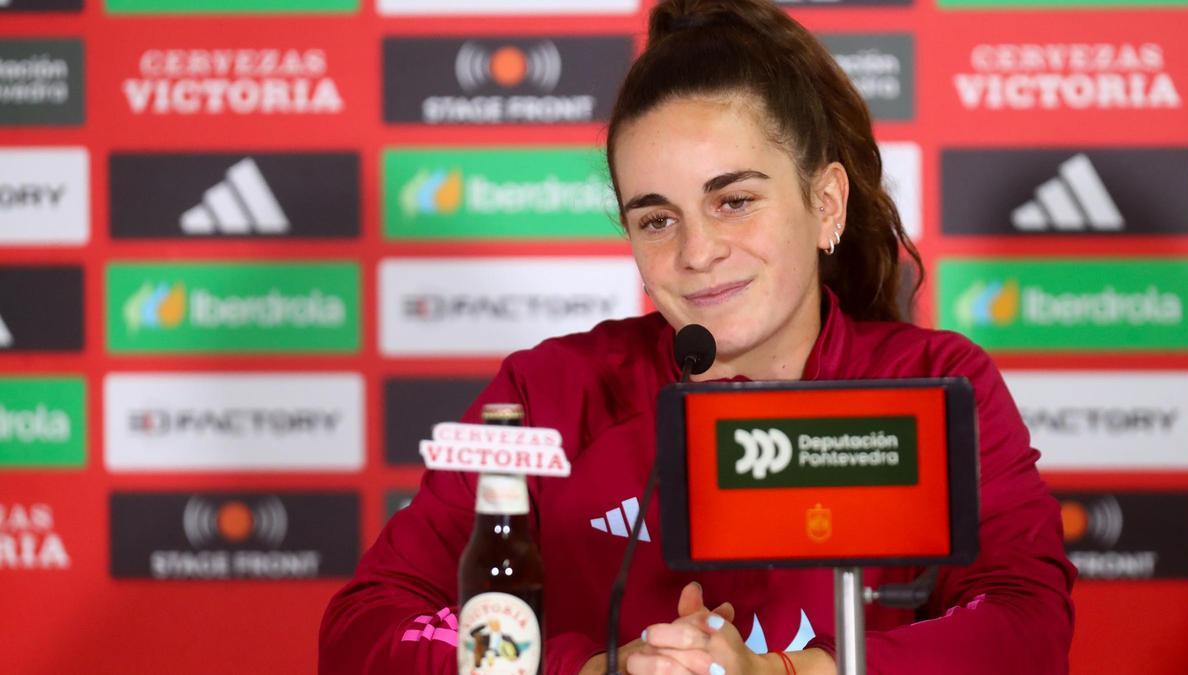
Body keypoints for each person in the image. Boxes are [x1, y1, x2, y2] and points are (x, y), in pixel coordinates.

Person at [319, 0, 1076, 672]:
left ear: (827, 203)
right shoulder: (546, 394)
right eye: (657, 218)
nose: (696, 253)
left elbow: (1026, 626)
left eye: (734, 200)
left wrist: (790, 674)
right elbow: (368, 626)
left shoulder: (937, 383)